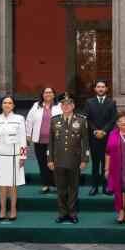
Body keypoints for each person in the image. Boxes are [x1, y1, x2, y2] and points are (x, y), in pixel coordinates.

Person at [49, 93, 89, 224]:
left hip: (74, 161)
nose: (66, 107)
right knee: (60, 189)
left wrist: (84, 159)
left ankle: (72, 213)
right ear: (61, 106)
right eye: (63, 105)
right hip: (58, 160)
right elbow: (50, 143)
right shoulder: (54, 120)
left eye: (68, 105)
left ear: (73, 106)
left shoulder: (81, 121)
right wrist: (49, 159)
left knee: (73, 188)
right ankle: (62, 213)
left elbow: (85, 143)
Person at [0, 96, 27, 221]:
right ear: (1, 105)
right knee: (1, 185)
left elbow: (23, 139)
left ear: (13, 105)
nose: (7, 104)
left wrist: (23, 156)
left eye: (10, 103)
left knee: (12, 185)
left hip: (14, 156)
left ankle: (13, 209)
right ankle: (3, 209)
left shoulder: (19, 119)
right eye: (5, 102)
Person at [84, 79, 117, 196]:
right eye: (98, 87)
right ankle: (94, 186)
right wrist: (95, 131)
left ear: (106, 89)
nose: (101, 89)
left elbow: (113, 119)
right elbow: (87, 119)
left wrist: (104, 131)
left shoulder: (111, 102)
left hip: (107, 137)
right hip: (93, 137)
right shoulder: (89, 102)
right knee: (95, 163)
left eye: (103, 87)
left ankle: (105, 186)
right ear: (95, 89)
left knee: (106, 163)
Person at [25, 87, 61, 194]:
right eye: (46, 92)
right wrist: (28, 134)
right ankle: (45, 184)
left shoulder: (59, 106)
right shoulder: (36, 106)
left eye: (50, 92)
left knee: (55, 163)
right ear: (42, 95)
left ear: (54, 95)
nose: (48, 94)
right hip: (39, 140)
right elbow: (29, 120)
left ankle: (55, 184)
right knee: (42, 163)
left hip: (55, 141)